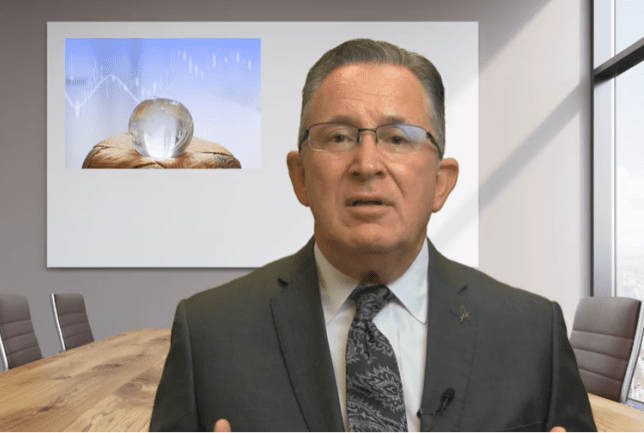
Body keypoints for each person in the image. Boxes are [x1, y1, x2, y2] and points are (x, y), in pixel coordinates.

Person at [149, 38, 596, 432]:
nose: (367, 164)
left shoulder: (532, 333)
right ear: (300, 176)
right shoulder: (208, 332)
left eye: (398, 138)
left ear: (441, 183)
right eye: (339, 137)